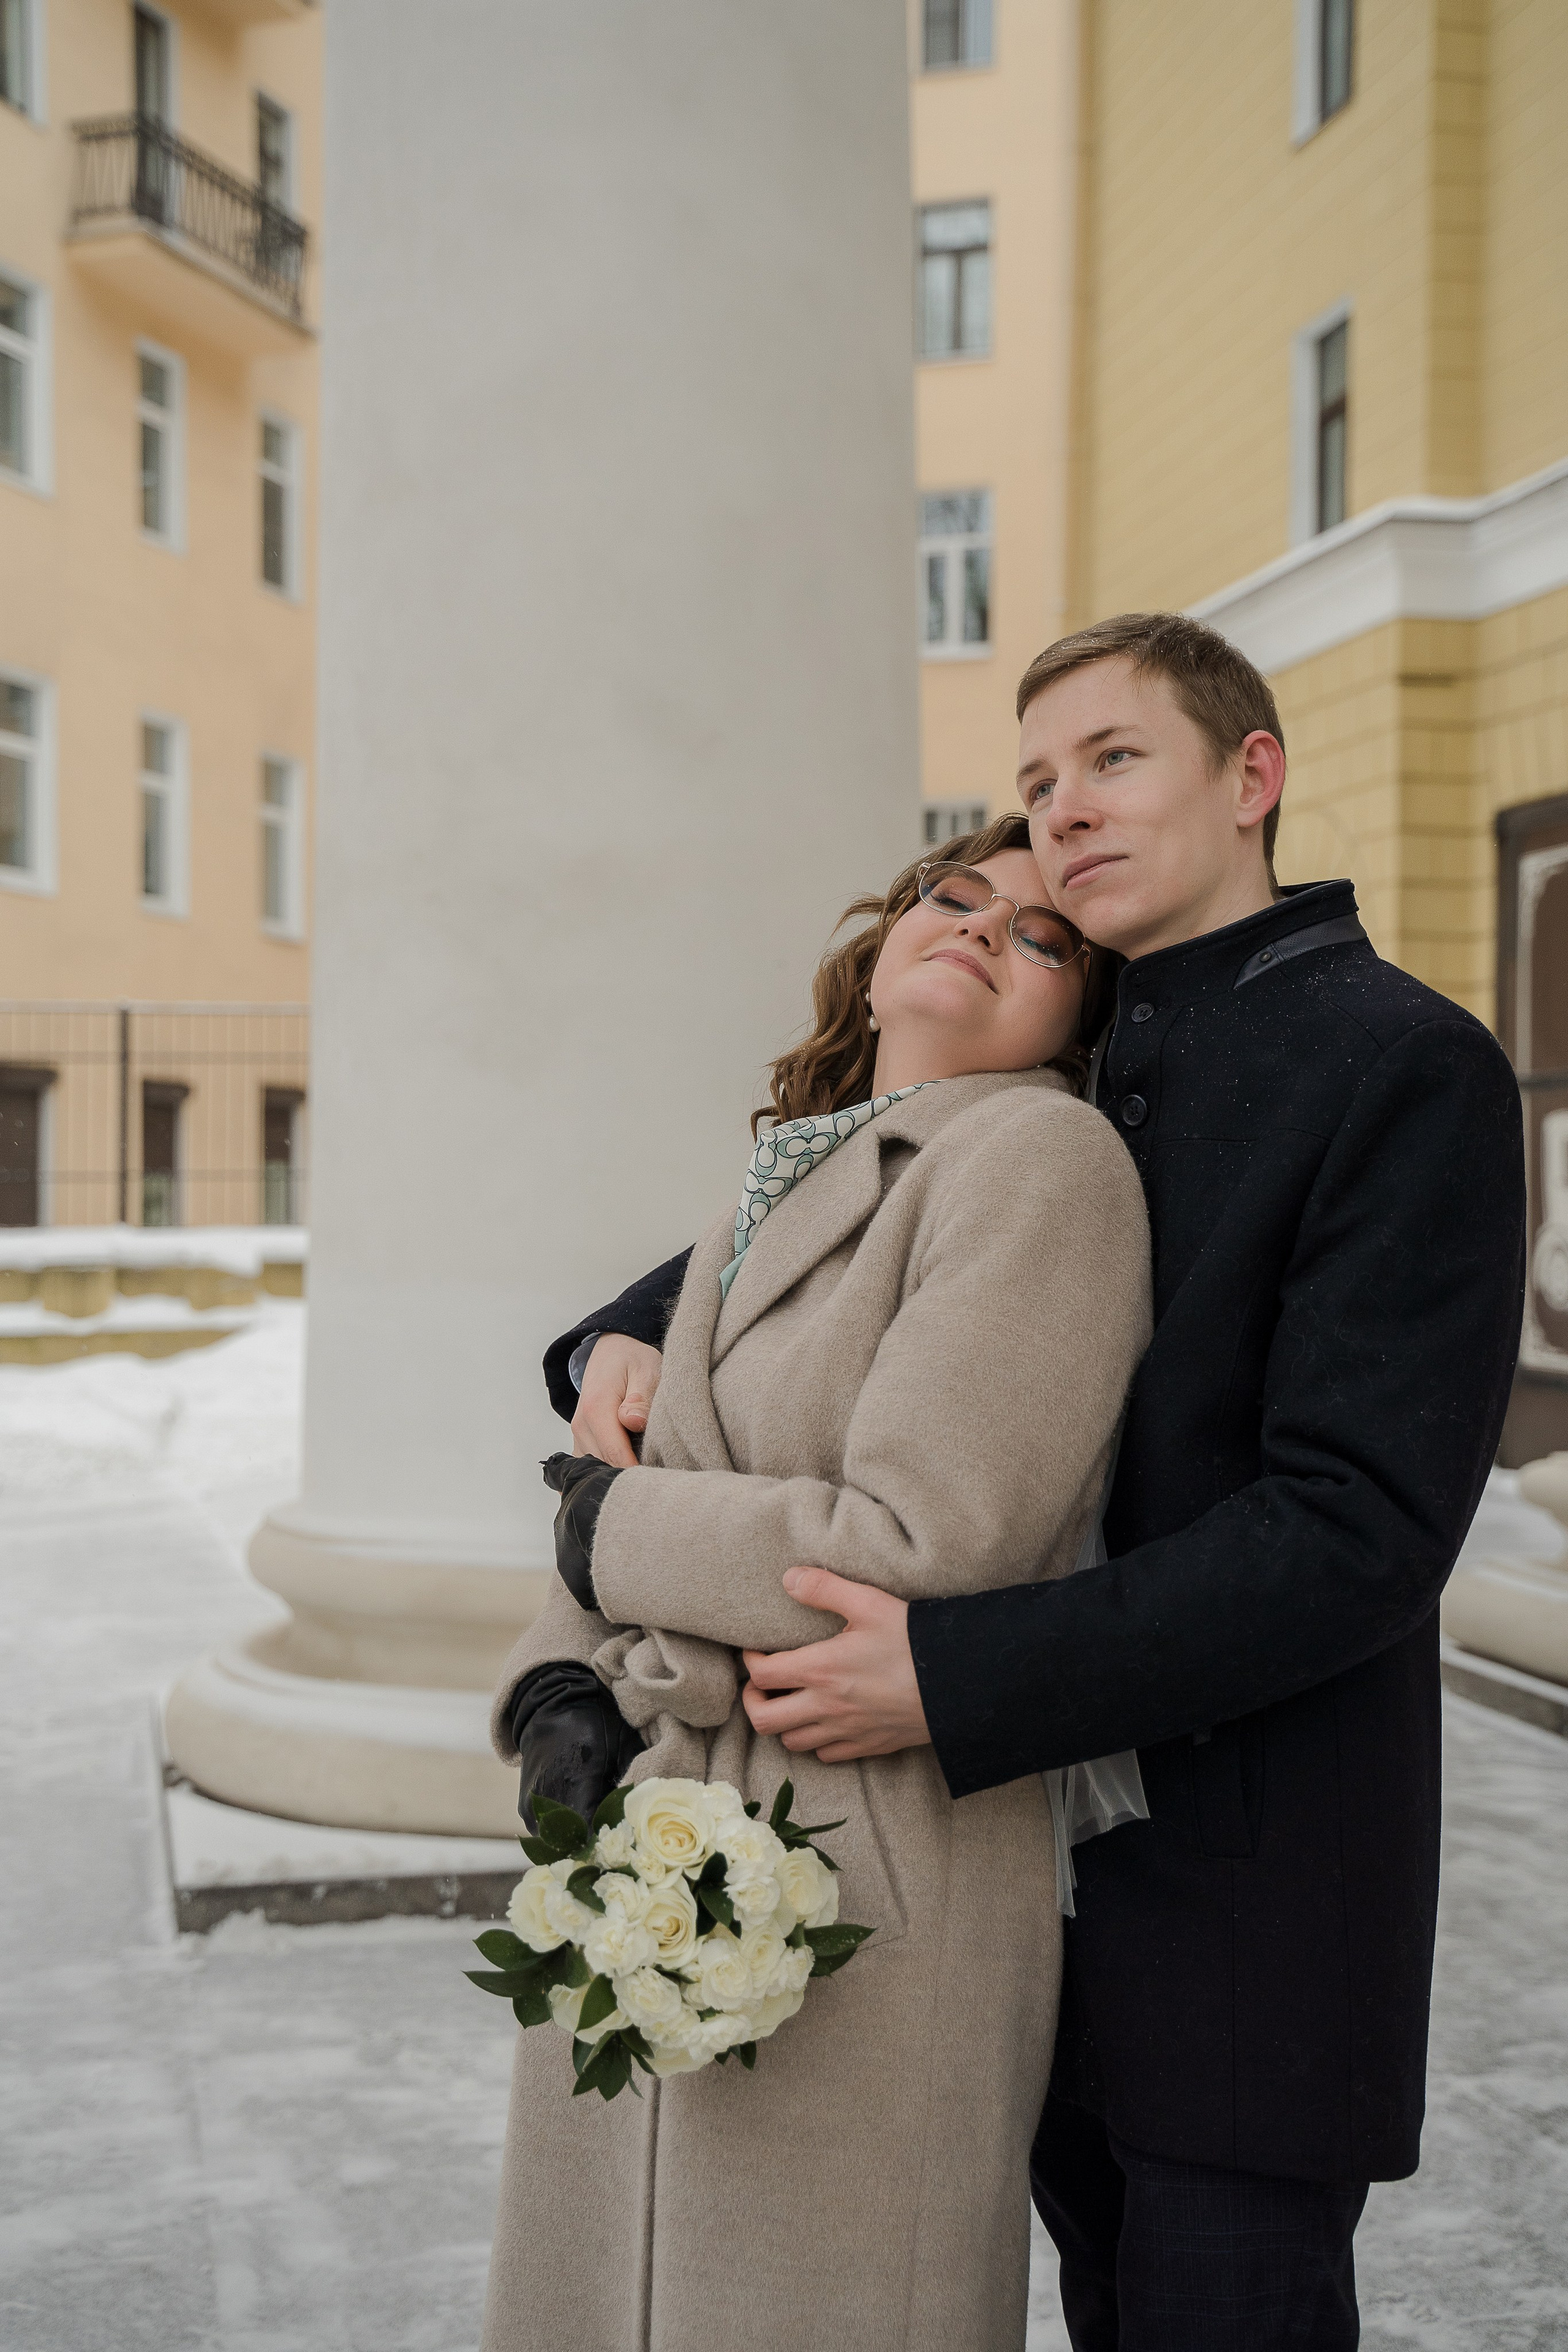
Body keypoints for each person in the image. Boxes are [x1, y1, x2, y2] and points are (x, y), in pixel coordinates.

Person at [549, 613, 1528, 2352]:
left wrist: (952, 1671)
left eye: (1115, 758)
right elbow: (875, 1174)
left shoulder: (1400, 1063)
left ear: (1255, 778)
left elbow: (1358, 1532)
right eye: (1035, 779)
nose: (1063, 809)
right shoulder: (1095, 1017)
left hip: (1244, 1906)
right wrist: (618, 1336)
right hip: (1016, 1906)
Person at [481, 818, 1152, 2352]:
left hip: (869, 1840)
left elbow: (917, 1540)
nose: (981, 930)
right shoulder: (790, 1165)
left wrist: (601, 1540)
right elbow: (657, 1468)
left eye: (1042, 938)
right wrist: (557, 1688)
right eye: (957, 895)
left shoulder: (1043, 1160)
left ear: (1078, 1016)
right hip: (655, 1821)